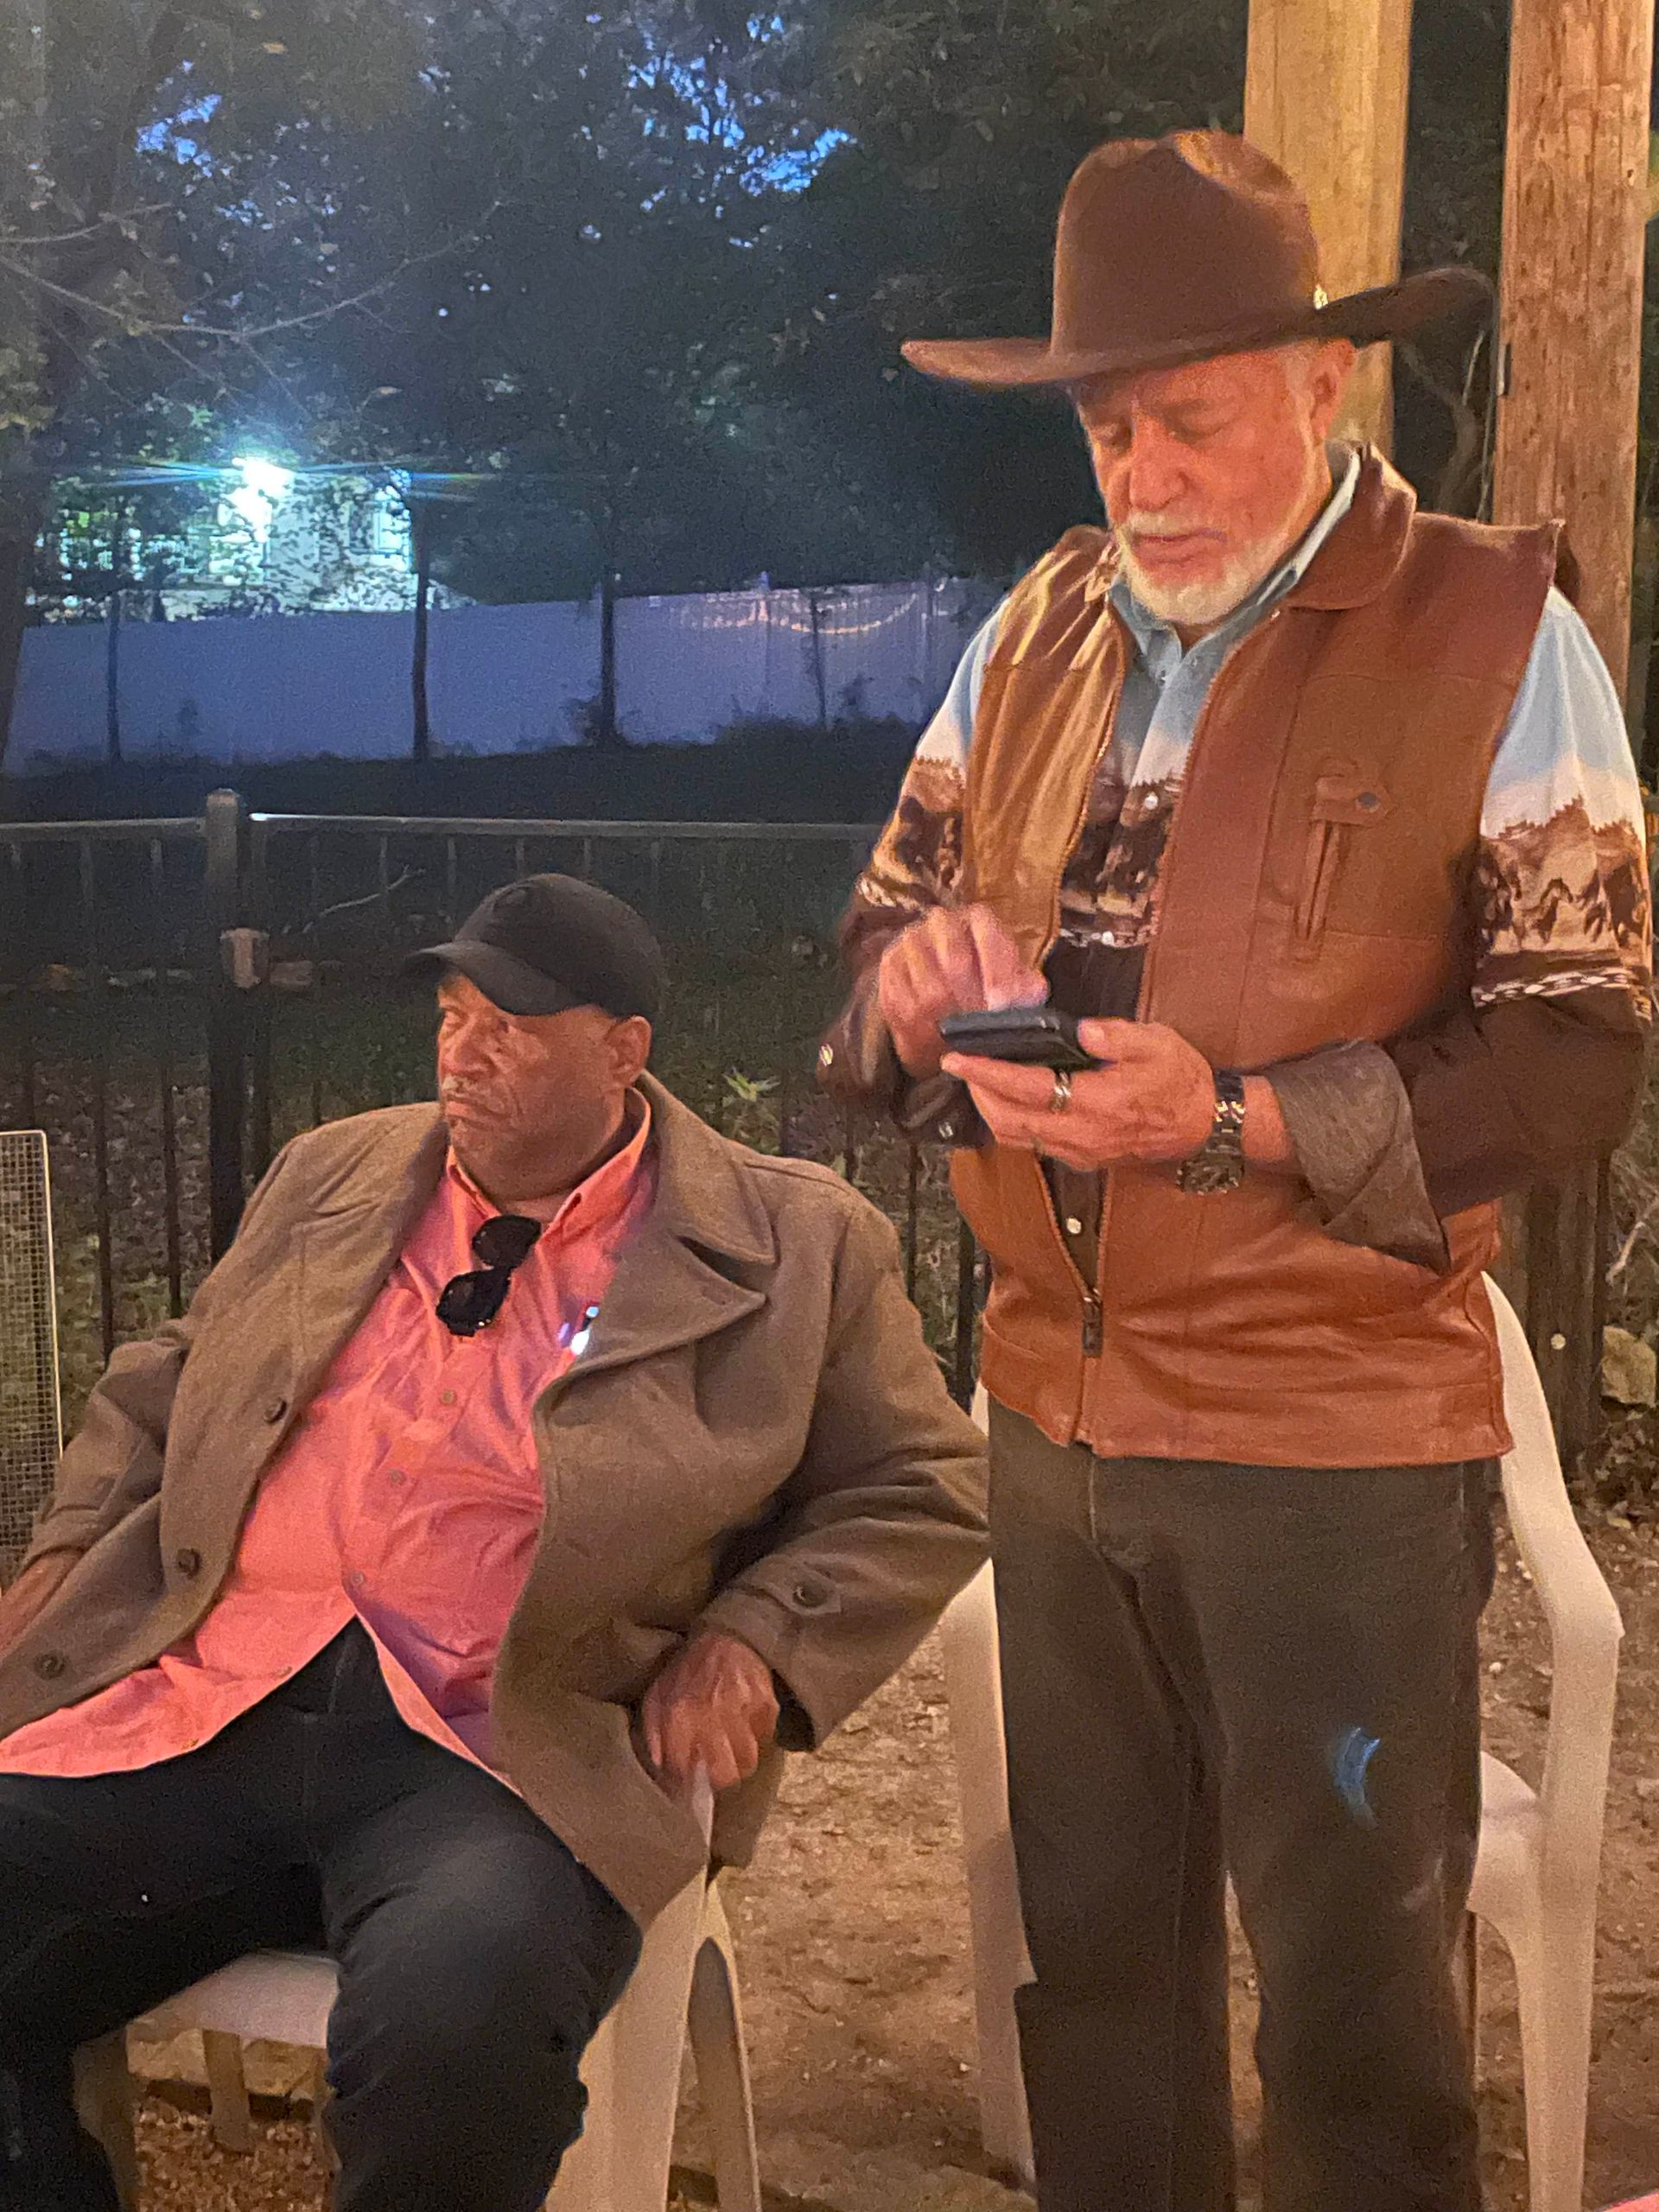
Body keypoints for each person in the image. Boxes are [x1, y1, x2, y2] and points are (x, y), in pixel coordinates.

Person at [820, 130, 1653, 2212]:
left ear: (1323, 383)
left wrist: (1233, 1120)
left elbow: (1575, 1049)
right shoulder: (1035, 632)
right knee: (1097, 1986)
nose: (1146, 471)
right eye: (1110, 425)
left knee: (1356, 2020)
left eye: (1190, 416)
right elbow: (881, 942)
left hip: (1333, 1440)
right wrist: (911, 996)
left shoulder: (1491, 627)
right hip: (1051, 1416)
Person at [0, 873, 988, 2212]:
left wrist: (757, 1637)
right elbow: (169, 1374)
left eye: (510, 1026)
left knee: (458, 2041)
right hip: (212, 1701)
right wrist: (65, 1555)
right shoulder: (337, 1171)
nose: (463, 1053)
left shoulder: (794, 1243)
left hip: (496, 1752)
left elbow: (923, 1478)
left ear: (624, 1051)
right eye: (453, 1017)